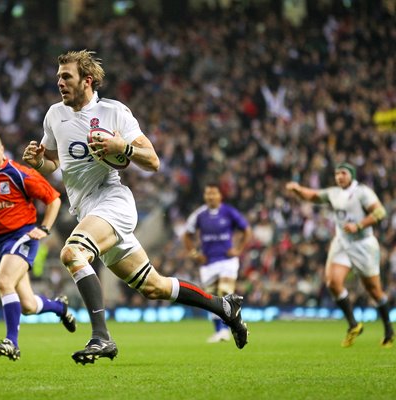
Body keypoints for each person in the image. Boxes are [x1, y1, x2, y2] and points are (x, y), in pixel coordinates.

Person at [22, 49, 249, 364]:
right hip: (88, 211)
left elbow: (153, 161)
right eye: (58, 77)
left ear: (87, 80)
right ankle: (224, 308)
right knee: (154, 286)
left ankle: (101, 337)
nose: (59, 82)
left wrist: (121, 146)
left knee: (72, 252)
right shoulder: (54, 115)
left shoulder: (114, 112)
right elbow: (53, 162)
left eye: (66, 77)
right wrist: (38, 163)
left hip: (112, 201)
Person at [0, 132, 76, 362]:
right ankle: (59, 308)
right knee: (28, 305)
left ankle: (12, 342)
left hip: (22, 236)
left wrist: (44, 228)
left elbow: (54, 199)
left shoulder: (20, 174)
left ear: (2, 149)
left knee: (3, 283)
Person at [286, 162, 394, 348]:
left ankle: (388, 331)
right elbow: (313, 195)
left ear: (351, 175)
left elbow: (380, 212)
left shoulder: (362, 192)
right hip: (342, 242)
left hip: (363, 244)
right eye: (337, 174)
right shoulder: (334, 193)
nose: (339, 177)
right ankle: (353, 325)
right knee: (333, 283)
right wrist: (297, 189)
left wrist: (359, 225)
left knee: (374, 291)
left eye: (343, 173)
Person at [182, 182, 252, 343]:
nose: (211, 196)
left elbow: (247, 230)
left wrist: (239, 249)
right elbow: (187, 234)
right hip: (208, 263)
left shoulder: (229, 212)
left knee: (225, 292)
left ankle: (231, 329)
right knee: (211, 299)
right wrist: (194, 253)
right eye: (208, 193)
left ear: (220, 195)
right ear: (205, 196)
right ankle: (220, 331)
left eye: (214, 193)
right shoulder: (199, 215)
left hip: (228, 261)